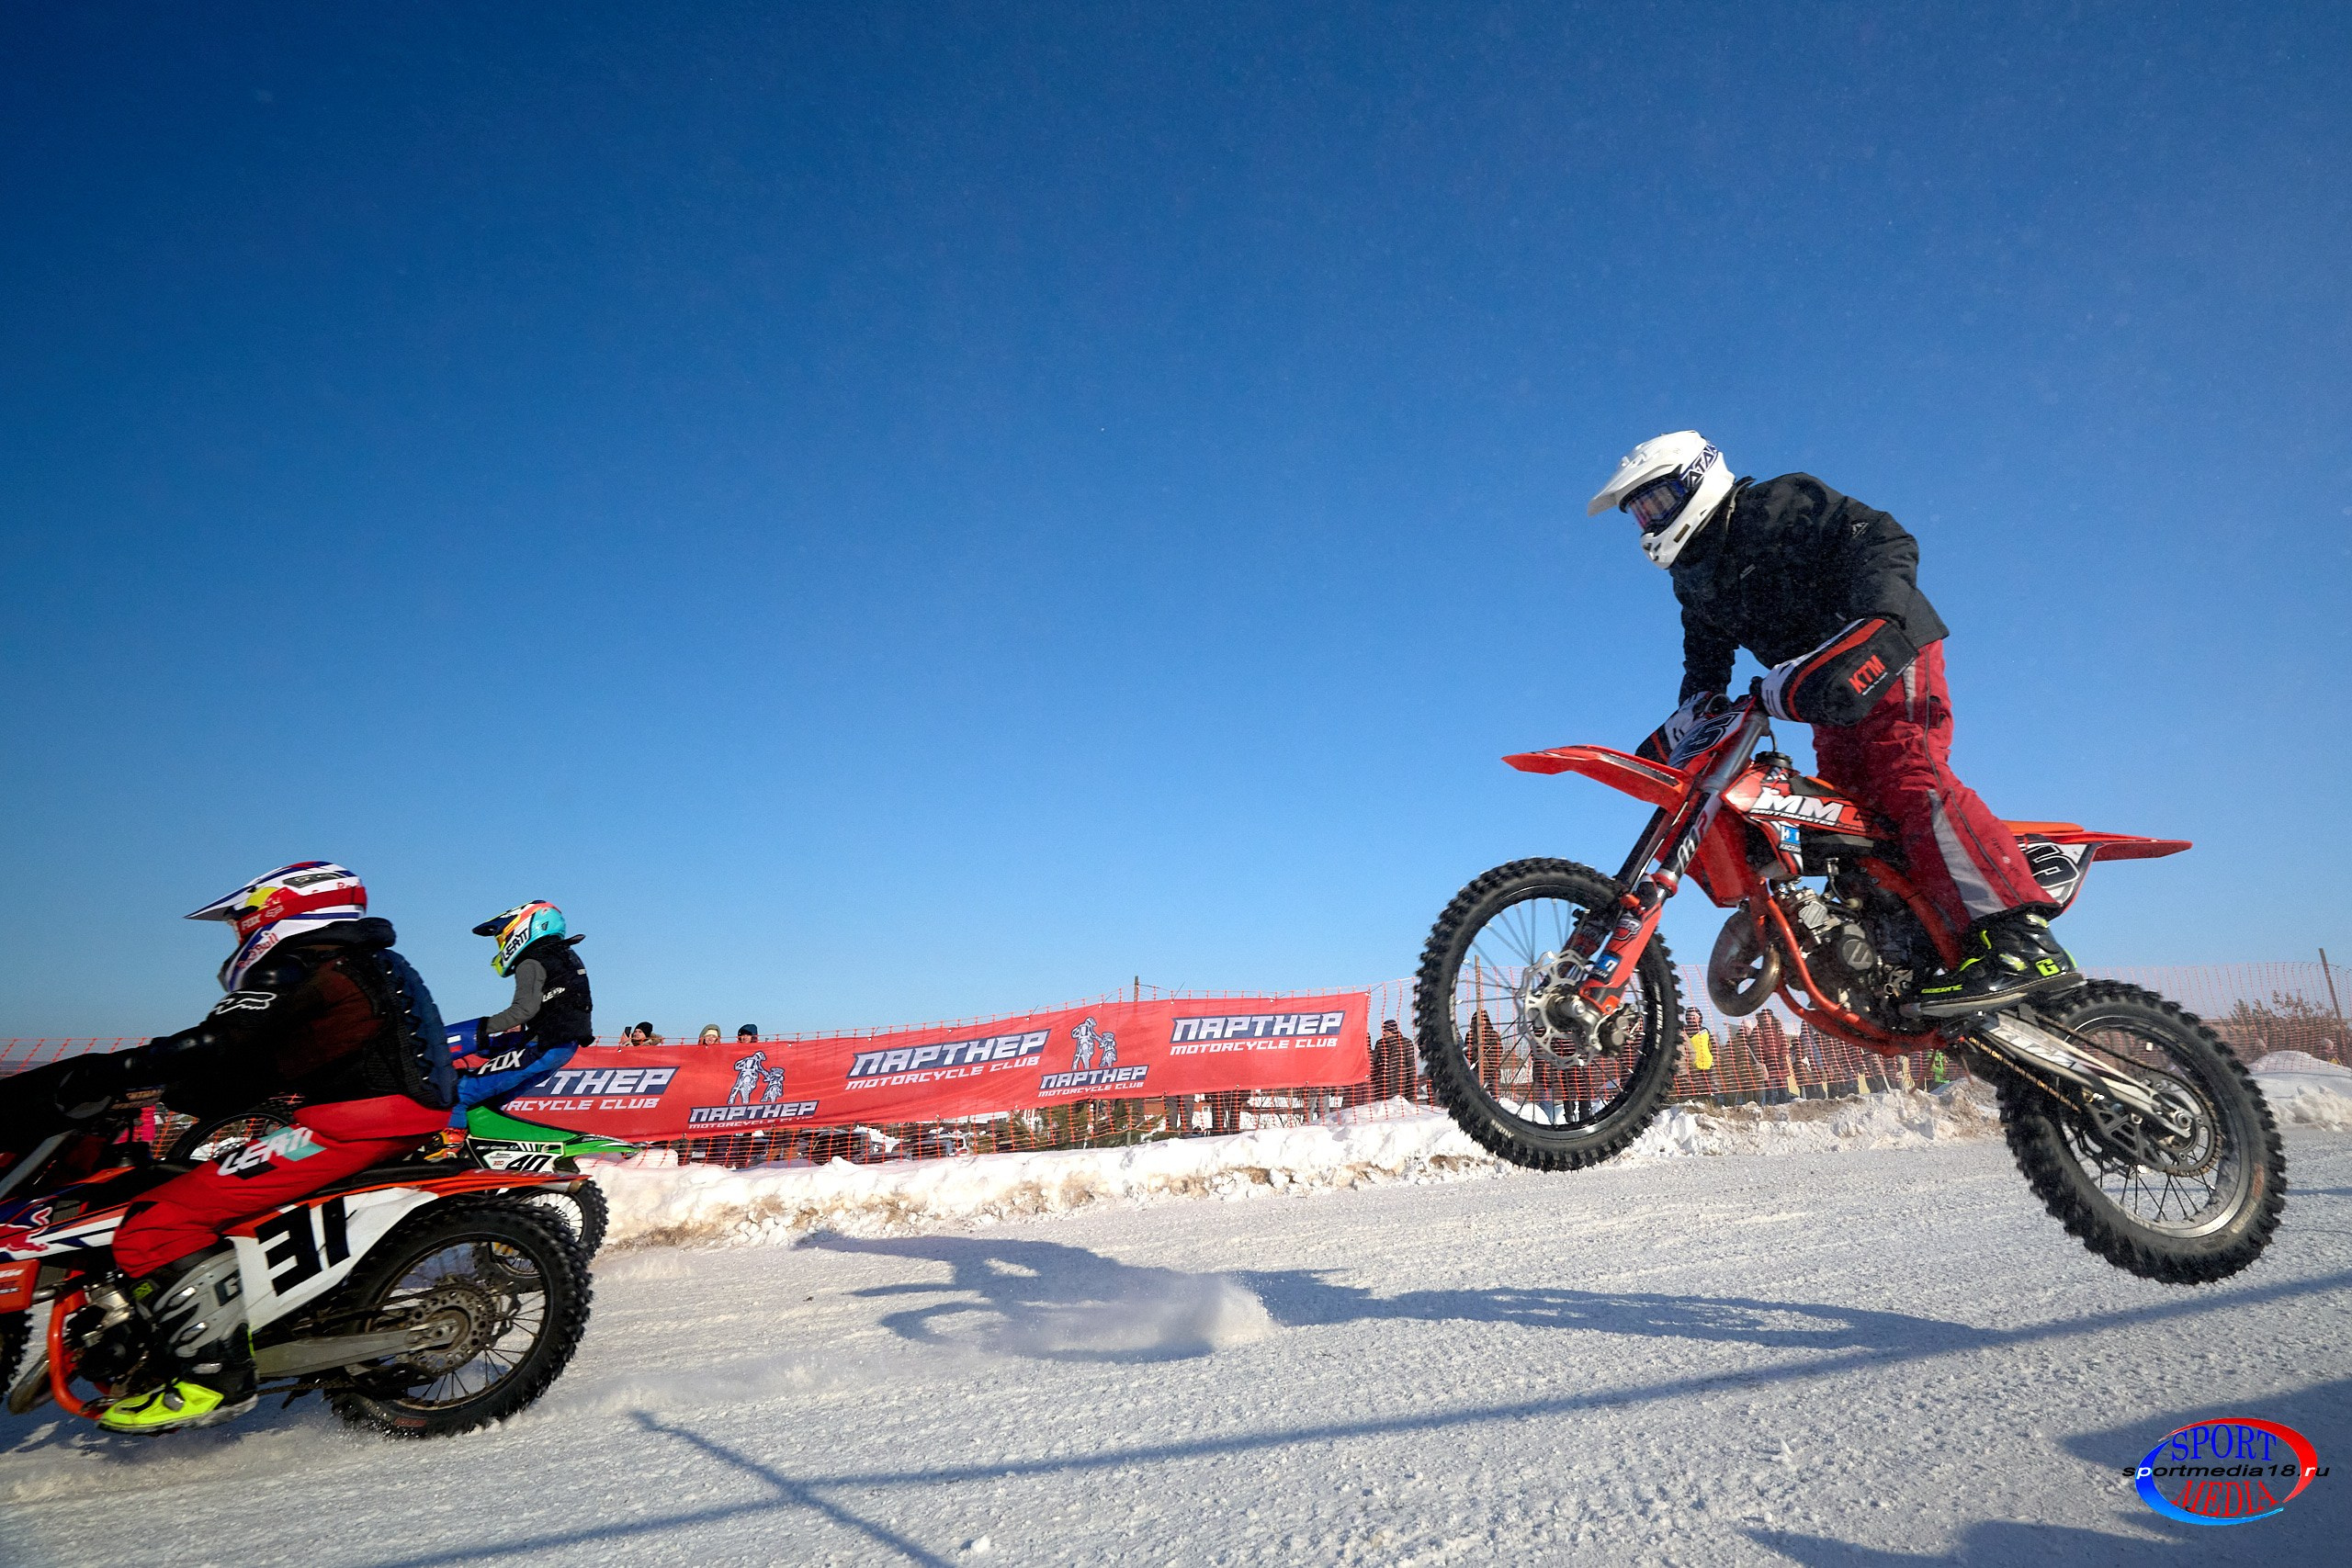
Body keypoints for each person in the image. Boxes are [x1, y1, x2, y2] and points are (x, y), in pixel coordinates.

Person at [1589, 433, 2072, 1016]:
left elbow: (1886, 539)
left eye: (1657, 501)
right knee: (1845, 816)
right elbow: (1706, 653)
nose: (1650, 518)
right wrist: (1697, 704)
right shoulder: (1693, 575)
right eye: (1639, 511)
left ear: (1699, 478)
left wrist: (1877, 617)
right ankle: (1904, 944)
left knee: (1906, 771)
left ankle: (2020, 939)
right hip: (1821, 686)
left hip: (1885, 650)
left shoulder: (1776, 506)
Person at [85, 863, 455, 1431]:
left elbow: (215, 1041)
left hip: (352, 1122)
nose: (240, 935)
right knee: (212, 1187)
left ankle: (212, 1376)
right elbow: (272, 1060)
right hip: (382, 1113)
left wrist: (117, 1071)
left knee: (159, 1221)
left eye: (245, 921)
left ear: (281, 912)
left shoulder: (309, 966)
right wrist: (187, 1090)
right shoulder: (360, 962)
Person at [448, 901, 594, 1114]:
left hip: (542, 1046)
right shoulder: (565, 954)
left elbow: (523, 1011)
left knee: (458, 1095)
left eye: (502, 937)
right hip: (562, 1046)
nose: (501, 944)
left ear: (521, 929)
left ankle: (450, 1144)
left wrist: (475, 1030)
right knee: (485, 1103)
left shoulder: (532, 961)